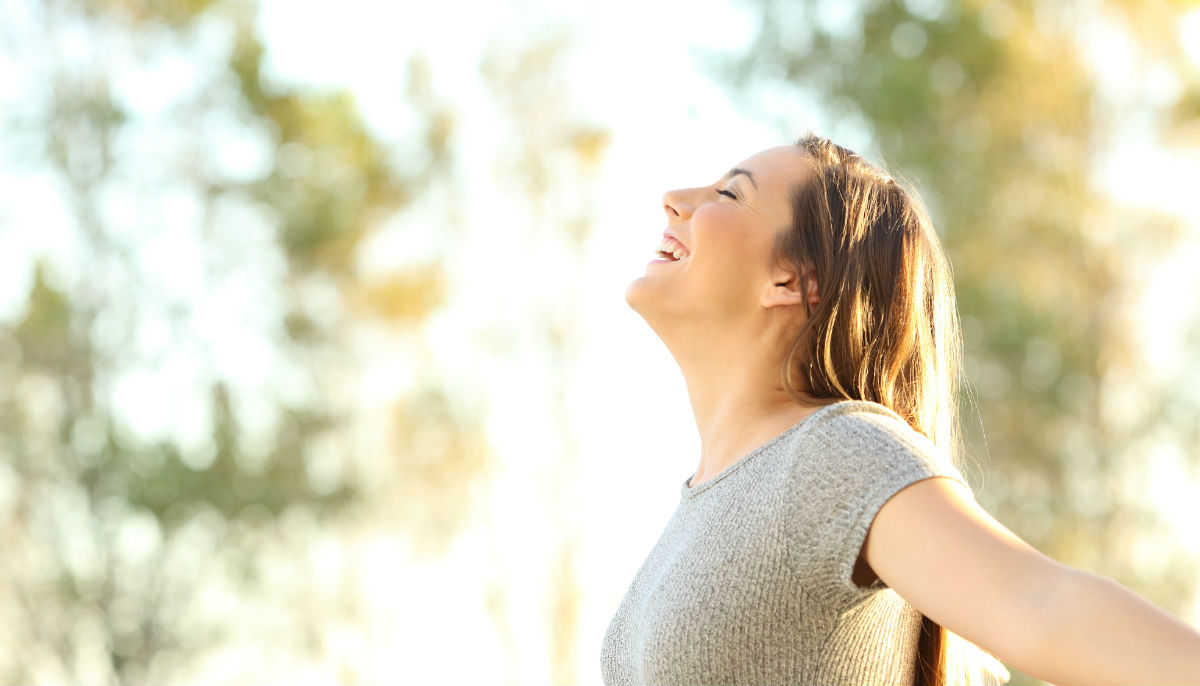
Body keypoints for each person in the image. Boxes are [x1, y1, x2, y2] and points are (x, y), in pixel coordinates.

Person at [600, 134, 1200, 686]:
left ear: (794, 280)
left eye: (729, 193)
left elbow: (1042, 605)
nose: (675, 199)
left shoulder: (832, 454)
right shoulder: (703, 501)